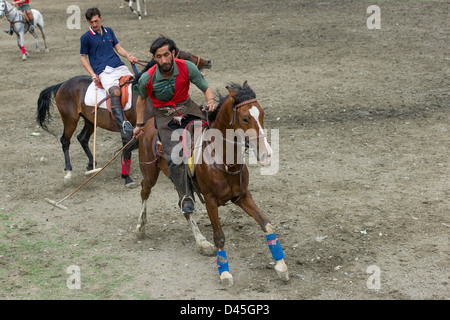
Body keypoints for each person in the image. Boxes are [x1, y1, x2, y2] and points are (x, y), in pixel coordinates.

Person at [133, 36, 217, 214]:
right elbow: (141, 100)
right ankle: (186, 195)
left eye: (166, 55)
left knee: (212, 135)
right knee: (173, 155)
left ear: (173, 53)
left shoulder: (187, 67)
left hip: (188, 107)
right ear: (154, 58)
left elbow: (206, 88)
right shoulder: (147, 78)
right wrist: (139, 124)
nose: (163, 60)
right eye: (158, 57)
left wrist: (210, 101)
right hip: (164, 115)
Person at [80, 7, 138, 143]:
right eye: (91, 22)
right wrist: (93, 73)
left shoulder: (109, 31)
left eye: (96, 21)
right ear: (88, 22)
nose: (94, 24)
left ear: (100, 18)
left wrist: (129, 56)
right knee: (115, 91)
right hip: (103, 72)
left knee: (135, 85)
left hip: (119, 66)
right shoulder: (86, 38)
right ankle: (123, 124)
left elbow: (118, 48)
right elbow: (83, 58)